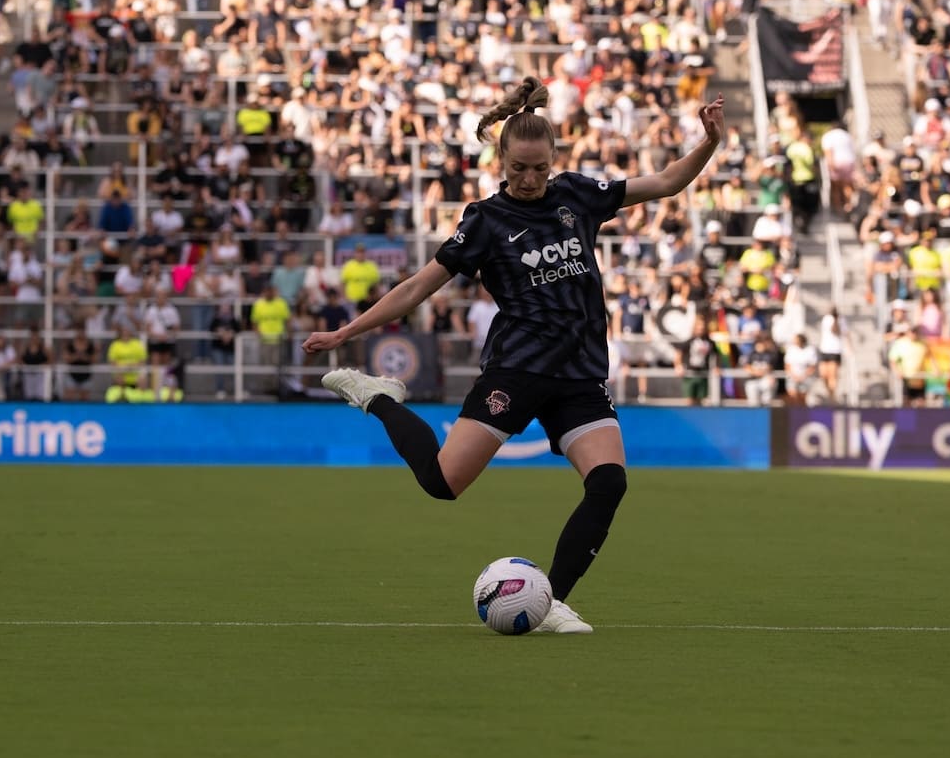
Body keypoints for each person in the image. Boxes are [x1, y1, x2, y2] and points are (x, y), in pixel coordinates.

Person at [303, 77, 726, 634]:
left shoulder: (578, 195)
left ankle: (550, 603)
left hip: (579, 374)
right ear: (500, 159)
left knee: (609, 483)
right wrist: (345, 333)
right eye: (519, 168)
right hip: (517, 369)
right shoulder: (484, 221)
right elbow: (415, 288)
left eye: (539, 168)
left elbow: (669, 182)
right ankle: (378, 397)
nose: (529, 179)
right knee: (441, 483)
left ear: (554, 160)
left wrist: (710, 143)